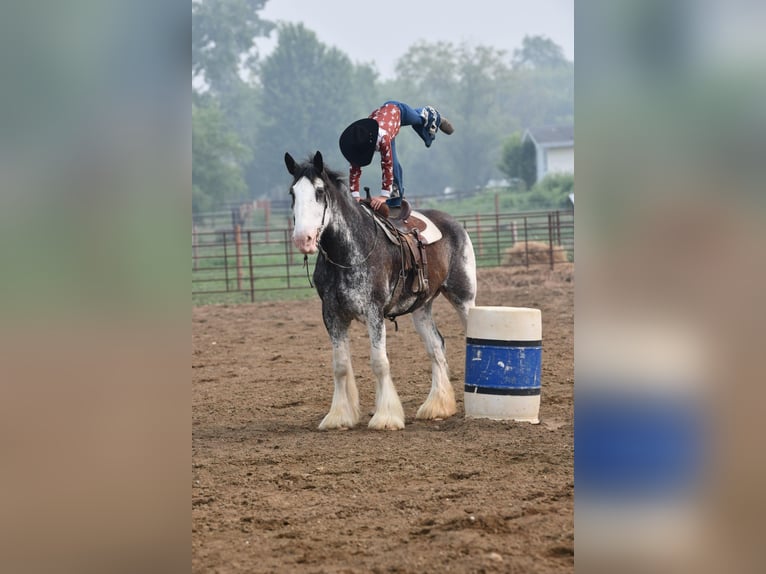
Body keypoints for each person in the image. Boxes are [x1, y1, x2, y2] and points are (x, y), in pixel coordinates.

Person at [338, 100, 454, 211]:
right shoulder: (357, 142)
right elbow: (354, 169)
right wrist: (355, 195)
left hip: (398, 110)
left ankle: (434, 115)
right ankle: (396, 198)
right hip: (386, 124)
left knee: (420, 119)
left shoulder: (382, 138)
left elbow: (387, 165)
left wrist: (383, 196)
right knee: (395, 163)